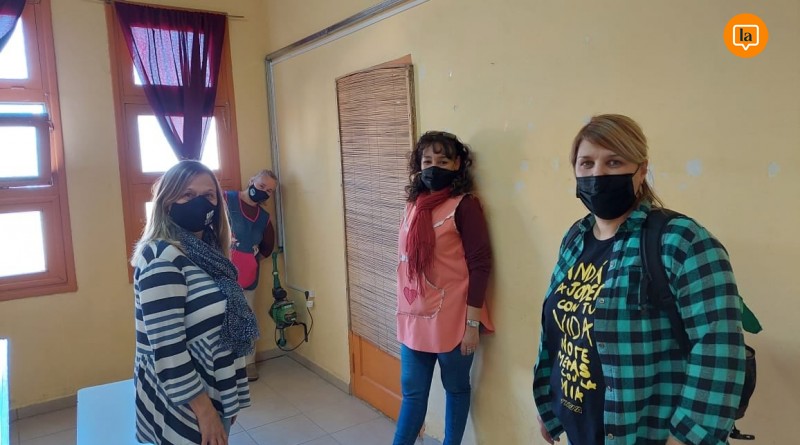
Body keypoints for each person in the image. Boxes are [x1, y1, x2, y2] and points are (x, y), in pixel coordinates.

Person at [533, 114, 746, 445]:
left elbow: (719, 348)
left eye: (614, 162)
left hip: (644, 433)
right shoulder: (575, 238)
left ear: (641, 170)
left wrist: (688, 438)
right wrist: (550, 405)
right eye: (586, 163)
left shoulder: (681, 240)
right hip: (580, 428)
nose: (598, 174)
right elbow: (561, 332)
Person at [132, 160, 259, 445]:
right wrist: (205, 412)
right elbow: (168, 348)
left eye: (208, 195)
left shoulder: (208, 253)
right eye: (187, 194)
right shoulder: (162, 258)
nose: (199, 203)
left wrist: (228, 395)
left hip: (213, 389)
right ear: (167, 202)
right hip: (184, 403)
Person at [393, 131, 495, 445]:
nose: (434, 167)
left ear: (458, 164)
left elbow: (480, 265)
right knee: (412, 394)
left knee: (456, 389)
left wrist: (472, 325)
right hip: (413, 314)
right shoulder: (413, 205)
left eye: (443, 161)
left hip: (454, 318)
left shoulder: (465, 206)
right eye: (427, 161)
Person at [225, 170, 277, 381]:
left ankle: (248, 364)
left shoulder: (263, 218)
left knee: (246, 318)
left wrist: (249, 261)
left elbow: (268, 247)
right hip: (219, 273)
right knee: (219, 318)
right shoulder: (226, 200)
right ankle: (222, 365)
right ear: (252, 181)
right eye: (262, 186)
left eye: (269, 191)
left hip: (247, 276)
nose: (264, 191)